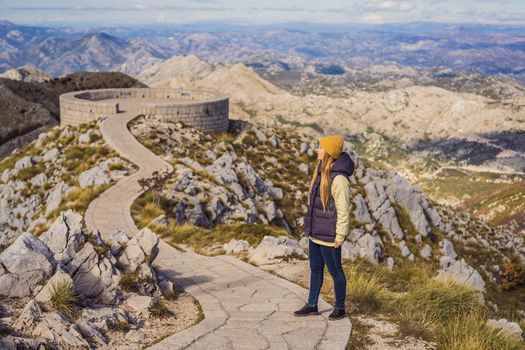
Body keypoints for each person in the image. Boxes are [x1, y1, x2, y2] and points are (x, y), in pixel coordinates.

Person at [294, 134, 354, 321]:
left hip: (329, 236)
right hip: (316, 234)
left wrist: (340, 235)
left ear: (329, 152)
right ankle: (312, 304)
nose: (317, 150)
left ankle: (340, 307)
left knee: (336, 272)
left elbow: (343, 210)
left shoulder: (339, 180)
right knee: (315, 270)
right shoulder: (321, 173)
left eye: (321, 148)